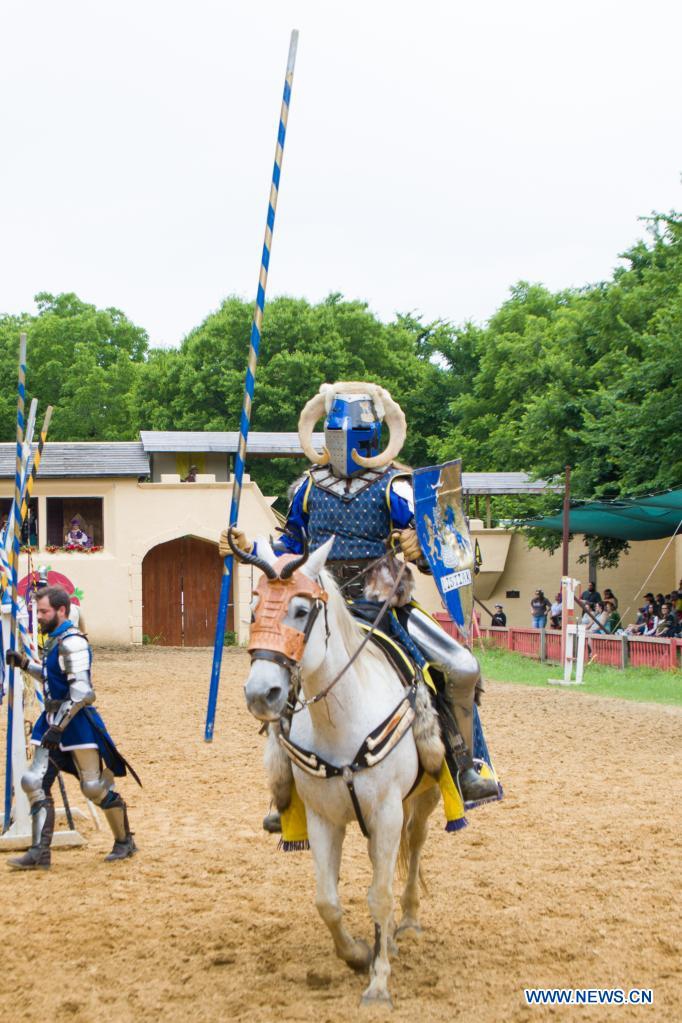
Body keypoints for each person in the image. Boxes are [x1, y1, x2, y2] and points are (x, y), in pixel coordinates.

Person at [220, 381, 499, 828]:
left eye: (347, 436)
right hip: (326, 609)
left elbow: (447, 550)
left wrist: (419, 545)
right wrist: (249, 544)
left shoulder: (396, 487)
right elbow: (291, 547)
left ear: (370, 437)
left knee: (461, 668)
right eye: (332, 436)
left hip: (385, 606)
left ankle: (466, 765)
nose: (339, 445)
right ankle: (286, 793)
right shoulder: (308, 489)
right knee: (282, 675)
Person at [4, 586, 138, 870]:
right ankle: (39, 852)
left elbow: (82, 693)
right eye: (38, 611)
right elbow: (54, 681)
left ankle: (124, 840)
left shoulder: (73, 642)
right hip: (52, 720)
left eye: (44, 611)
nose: (39, 616)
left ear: (61, 610)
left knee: (93, 787)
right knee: (34, 782)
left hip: (77, 724)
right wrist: (27, 664)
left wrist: (59, 728)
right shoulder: (54, 640)